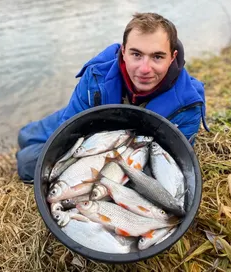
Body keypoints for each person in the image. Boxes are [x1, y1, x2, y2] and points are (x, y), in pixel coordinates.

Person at [16, 12, 209, 181]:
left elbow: (169, 165)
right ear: (123, 51)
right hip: (85, 127)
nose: (144, 69)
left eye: (157, 57)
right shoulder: (96, 76)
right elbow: (70, 129)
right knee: (26, 135)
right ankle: (29, 137)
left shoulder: (188, 105)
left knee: (26, 163)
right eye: (136, 54)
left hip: (117, 151)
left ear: (172, 57)